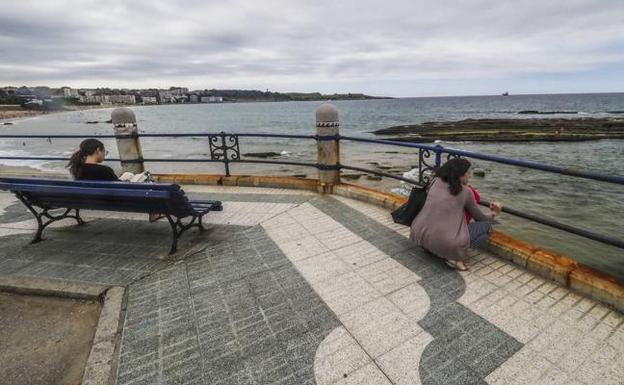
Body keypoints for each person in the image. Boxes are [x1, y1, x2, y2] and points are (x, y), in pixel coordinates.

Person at [410, 158, 502, 271]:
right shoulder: (466, 191)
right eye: (467, 173)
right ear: (460, 175)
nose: (470, 175)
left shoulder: (435, 181)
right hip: (446, 242)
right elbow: (481, 218)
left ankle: (431, 248)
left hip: (419, 233)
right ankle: (454, 259)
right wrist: (494, 212)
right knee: (487, 227)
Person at [67, 139, 162, 221]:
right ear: (98, 150)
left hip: (92, 199)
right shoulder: (104, 170)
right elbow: (120, 187)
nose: (104, 154)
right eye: (104, 152)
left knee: (127, 174)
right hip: (114, 199)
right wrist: (128, 182)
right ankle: (154, 212)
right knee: (146, 176)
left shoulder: (77, 169)